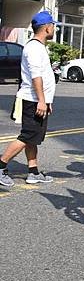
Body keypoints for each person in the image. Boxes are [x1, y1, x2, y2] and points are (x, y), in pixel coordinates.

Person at [0, 11, 57, 187]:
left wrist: (47, 100)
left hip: (38, 100)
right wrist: (41, 100)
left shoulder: (39, 46)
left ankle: (33, 172)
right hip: (33, 100)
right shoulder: (33, 48)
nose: (54, 28)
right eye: (53, 25)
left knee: (33, 137)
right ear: (47, 27)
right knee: (28, 135)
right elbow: (36, 76)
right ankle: (1, 166)